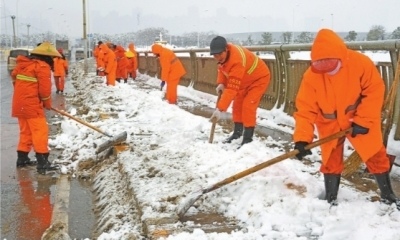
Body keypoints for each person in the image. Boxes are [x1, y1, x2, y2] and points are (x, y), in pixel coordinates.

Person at [293, 29, 400, 210]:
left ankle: (388, 195)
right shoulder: (311, 76)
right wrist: (302, 139)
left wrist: (363, 120)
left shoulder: (360, 63)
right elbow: (305, 110)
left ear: (341, 56)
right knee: (330, 160)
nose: (329, 72)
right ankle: (330, 196)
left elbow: (374, 90)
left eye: (332, 66)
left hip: (359, 118)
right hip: (329, 122)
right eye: (323, 68)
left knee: (375, 154)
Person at [209, 36, 271, 146]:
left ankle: (247, 139)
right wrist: (222, 83)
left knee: (248, 106)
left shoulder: (236, 60)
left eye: (219, 54)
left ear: (226, 49)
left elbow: (231, 89)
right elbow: (222, 69)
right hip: (244, 80)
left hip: (258, 79)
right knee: (237, 106)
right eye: (215, 55)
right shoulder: (223, 58)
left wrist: (220, 108)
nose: (217, 57)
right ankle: (237, 134)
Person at [11, 41, 59, 174]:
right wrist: (46, 102)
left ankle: (22, 159)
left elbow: (14, 78)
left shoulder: (23, 64)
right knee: (40, 131)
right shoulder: (42, 66)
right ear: (47, 57)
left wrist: (22, 95)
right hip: (32, 105)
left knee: (25, 131)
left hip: (19, 104)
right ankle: (43, 162)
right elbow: (44, 90)